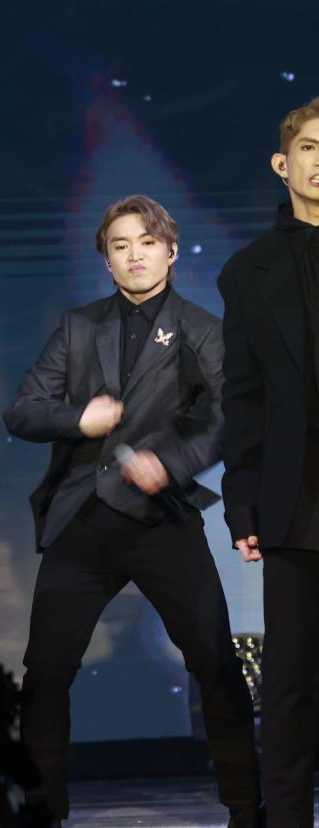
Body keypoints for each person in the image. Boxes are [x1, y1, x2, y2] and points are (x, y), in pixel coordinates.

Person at [4, 195, 260, 826]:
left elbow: (230, 416)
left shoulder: (201, 328)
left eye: (146, 242)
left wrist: (170, 463)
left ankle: (247, 807)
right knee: (46, 671)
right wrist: (77, 417)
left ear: (170, 252)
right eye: (120, 246)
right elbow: (24, 410)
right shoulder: (79, 327)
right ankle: (41, 809)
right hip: (83, 517)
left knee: (215, 663)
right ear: (108, 262)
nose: (134, 254)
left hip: (161, 519)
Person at [219, 96, 319, 827]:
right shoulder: (250, 273)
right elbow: (244, 399)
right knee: (288, 680)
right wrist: (243, 502)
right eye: (312, 146)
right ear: (284, 164)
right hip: (299, 498)